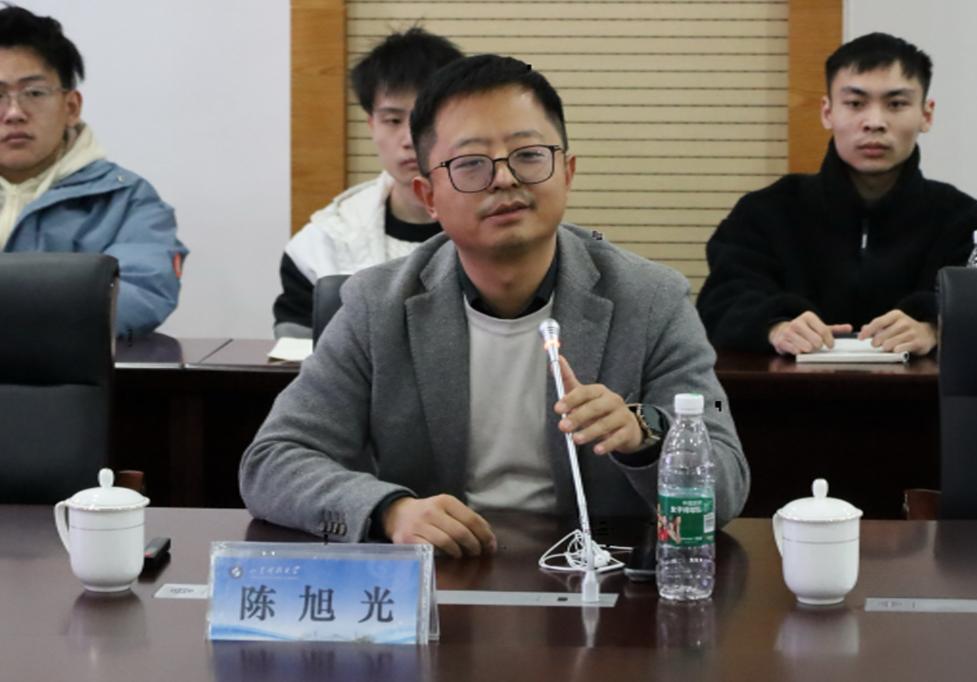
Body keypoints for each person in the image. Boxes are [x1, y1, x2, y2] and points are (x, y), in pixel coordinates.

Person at [240, 54, 749, 558]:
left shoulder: (652, 299)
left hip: (601, 578)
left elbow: (725, 483)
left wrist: (645, 437)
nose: (505, 179)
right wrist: (389, 510)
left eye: (528, 155)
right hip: (444, 576)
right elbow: (272, 461)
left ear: (567, 172)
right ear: (428, 195)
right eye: (471, 164)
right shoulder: (377, 305)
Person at [696, 32, 977, 356]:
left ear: (926, 114)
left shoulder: (962, 219)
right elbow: (720, 303)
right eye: (855, 103)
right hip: (788, 388)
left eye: (896, 104)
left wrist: (936, 325)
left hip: (924, 390)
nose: (874, 122)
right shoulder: (764, 212)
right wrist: (775, 327)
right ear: (827, 112)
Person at [0, 6, 186, 338]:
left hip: (61, 369)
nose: (14, 113)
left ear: (71, 106)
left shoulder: (126, 201)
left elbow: (140, 294)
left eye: (34, 93)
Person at [272, 28, 463, 338]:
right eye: (393, 120)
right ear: (372, 124)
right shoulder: (321, 245)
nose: (409, 139)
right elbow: (296, 357)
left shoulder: (500, 225)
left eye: (425, 120)